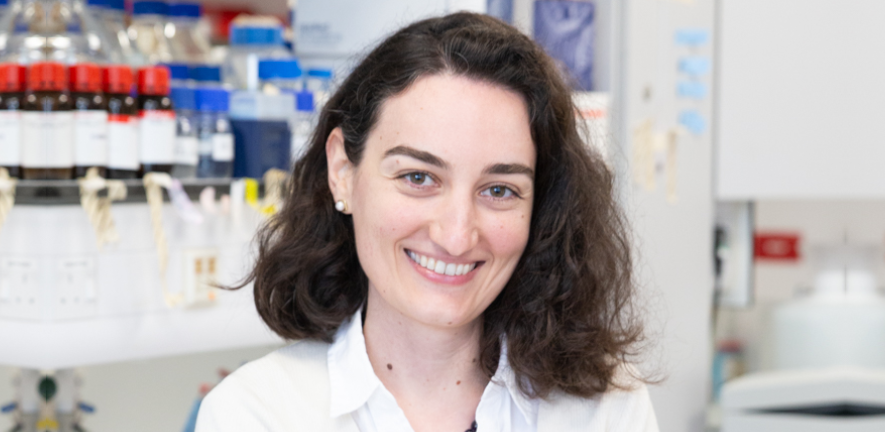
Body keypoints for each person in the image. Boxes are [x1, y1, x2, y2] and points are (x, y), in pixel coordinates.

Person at [196, 12, 658, 432]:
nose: (456, 236)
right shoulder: (256, 414)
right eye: (418, 177)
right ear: (342, 171)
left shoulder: (603, 409)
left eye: (499, 190)